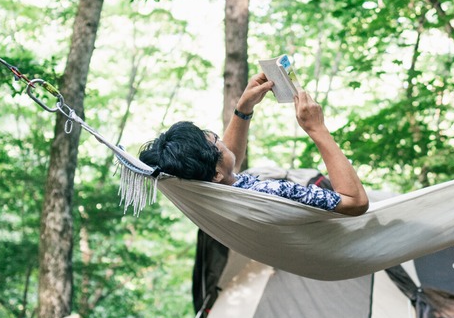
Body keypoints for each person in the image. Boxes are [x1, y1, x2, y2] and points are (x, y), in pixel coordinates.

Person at [138, 73, 369, 216]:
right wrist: (317, 128)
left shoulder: (208, 193)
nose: (222, 140)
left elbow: (230, 166)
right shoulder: (272, 192)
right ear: (216, 174)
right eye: (217, 141)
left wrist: (244, 107)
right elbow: (355, 203)